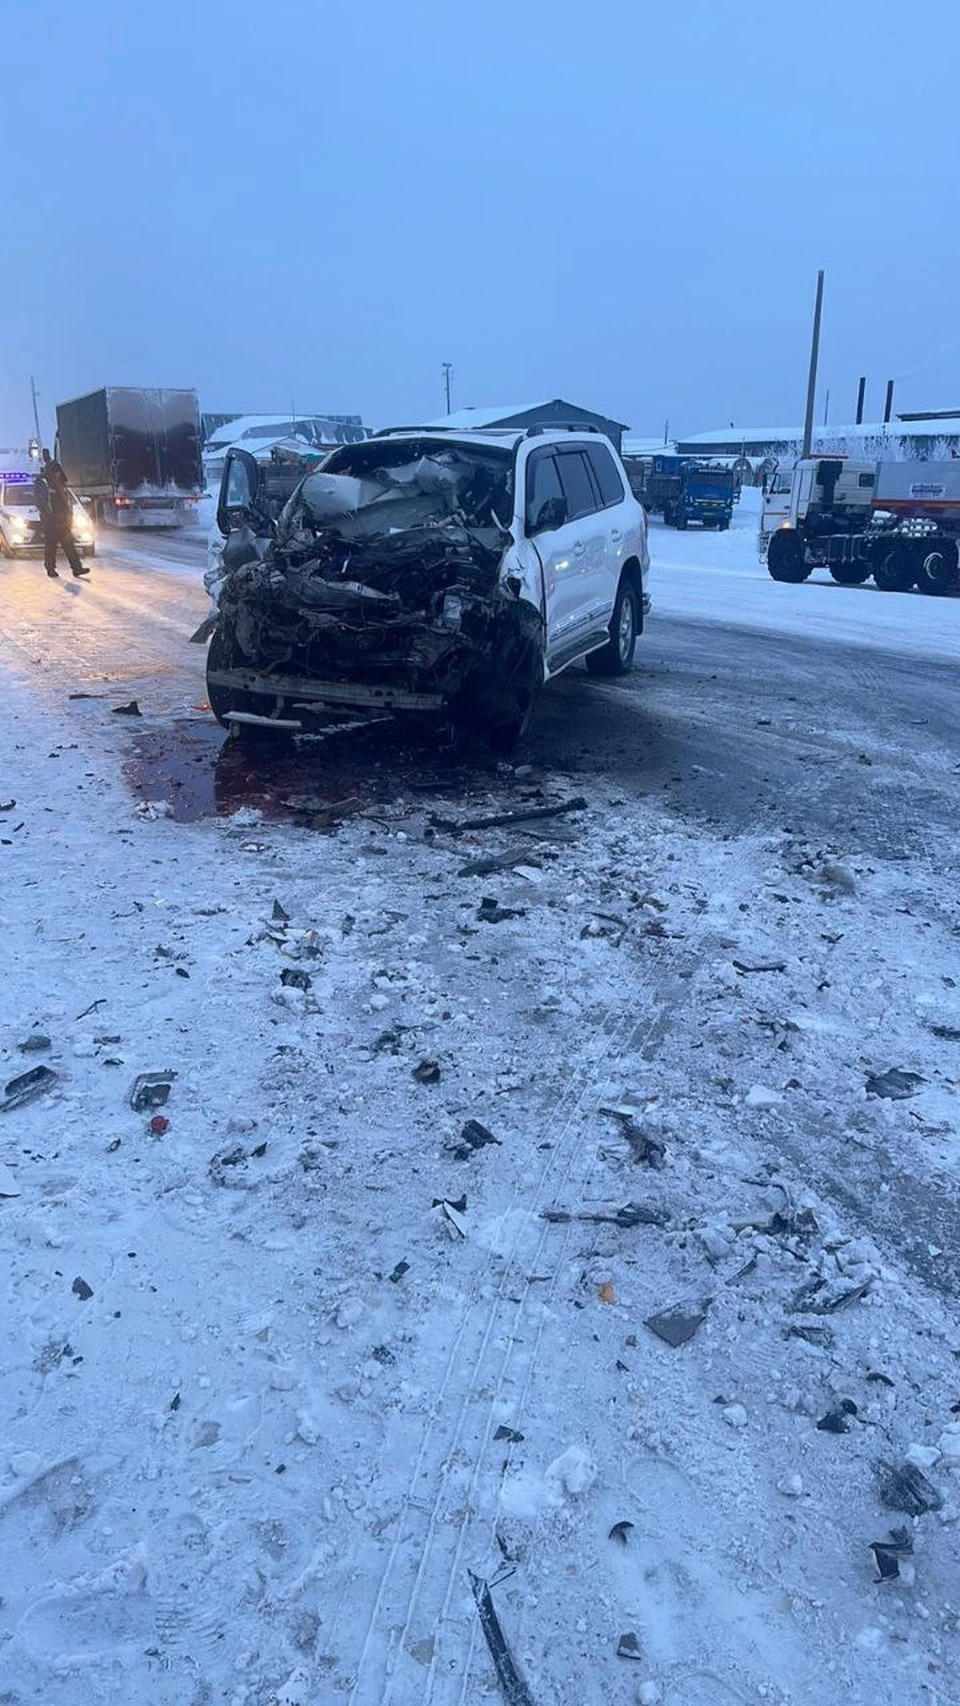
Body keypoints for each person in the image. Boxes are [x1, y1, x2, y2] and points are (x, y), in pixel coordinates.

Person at [35, 449, 89, 579]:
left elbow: (66, 502)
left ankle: (77, 568)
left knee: (69, 545)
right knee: (51, 546)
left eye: (59, 473)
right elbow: (41, 502)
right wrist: (50, 517)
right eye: (56, 473)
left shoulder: (60, 487)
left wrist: (68, 516)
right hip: (51, 522)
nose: (58, 476)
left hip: (62, 521)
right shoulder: (43, 484)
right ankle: (50, 568)